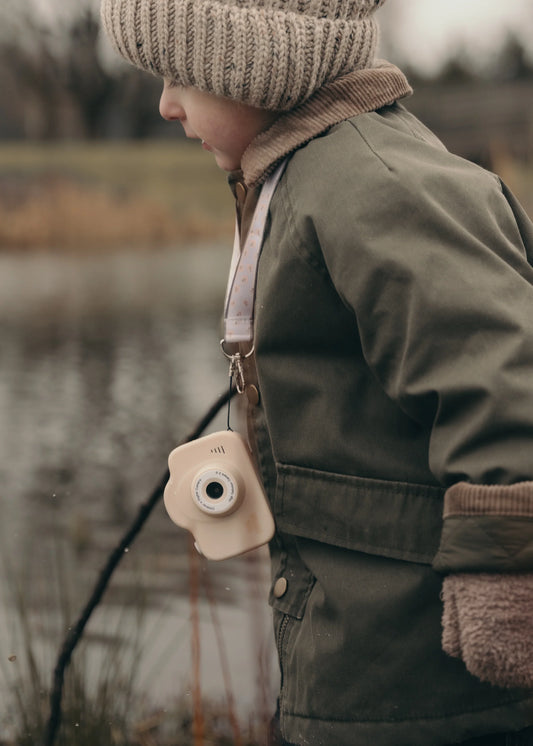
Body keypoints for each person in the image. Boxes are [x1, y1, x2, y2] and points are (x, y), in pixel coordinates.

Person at [100, 1, 533, 744]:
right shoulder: (304, 173)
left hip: (424, 683)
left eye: (179, 76)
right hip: (357, 644)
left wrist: (506, 571)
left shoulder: (375, 184)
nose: (166, 105)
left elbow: (503, 372)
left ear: (254, 67)